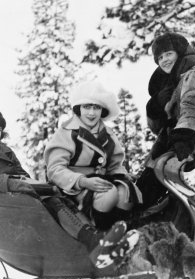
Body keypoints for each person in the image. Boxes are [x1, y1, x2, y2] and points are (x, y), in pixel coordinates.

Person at [0, 95, 126, 263]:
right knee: (52, 201)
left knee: (60, 197)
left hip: (19, 195)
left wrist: (31, 183)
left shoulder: (6, 150)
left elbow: (21, 174)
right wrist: (10, 182)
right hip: (4, 205)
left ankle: (94, 235)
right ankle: (92, 241)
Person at [44, 81, 142, 231]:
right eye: (86, 107)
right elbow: (55, 169)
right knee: (108, 194)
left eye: (96, 107)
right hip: (73, 187)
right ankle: (99, 233)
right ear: (79, 108)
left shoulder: (107, 133)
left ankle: (118, 232)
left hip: (102, 180)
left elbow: (115, 164)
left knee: (126, 193)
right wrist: (82, 181)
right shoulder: (67, 132)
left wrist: (122, 175)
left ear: (102, 110)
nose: (91, 113)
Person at [136, 32, 195, 207]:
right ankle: (141, 220)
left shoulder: (193, 77)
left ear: (180, 53)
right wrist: (155, 107)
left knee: (158, 186)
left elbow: (194, 108)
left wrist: (185, 137)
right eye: (160, 57)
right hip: (168, 142)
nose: (164, 60)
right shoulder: (171, 85)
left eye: (168, 54)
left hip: (189, 142)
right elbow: (158, 127)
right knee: (145, 187)